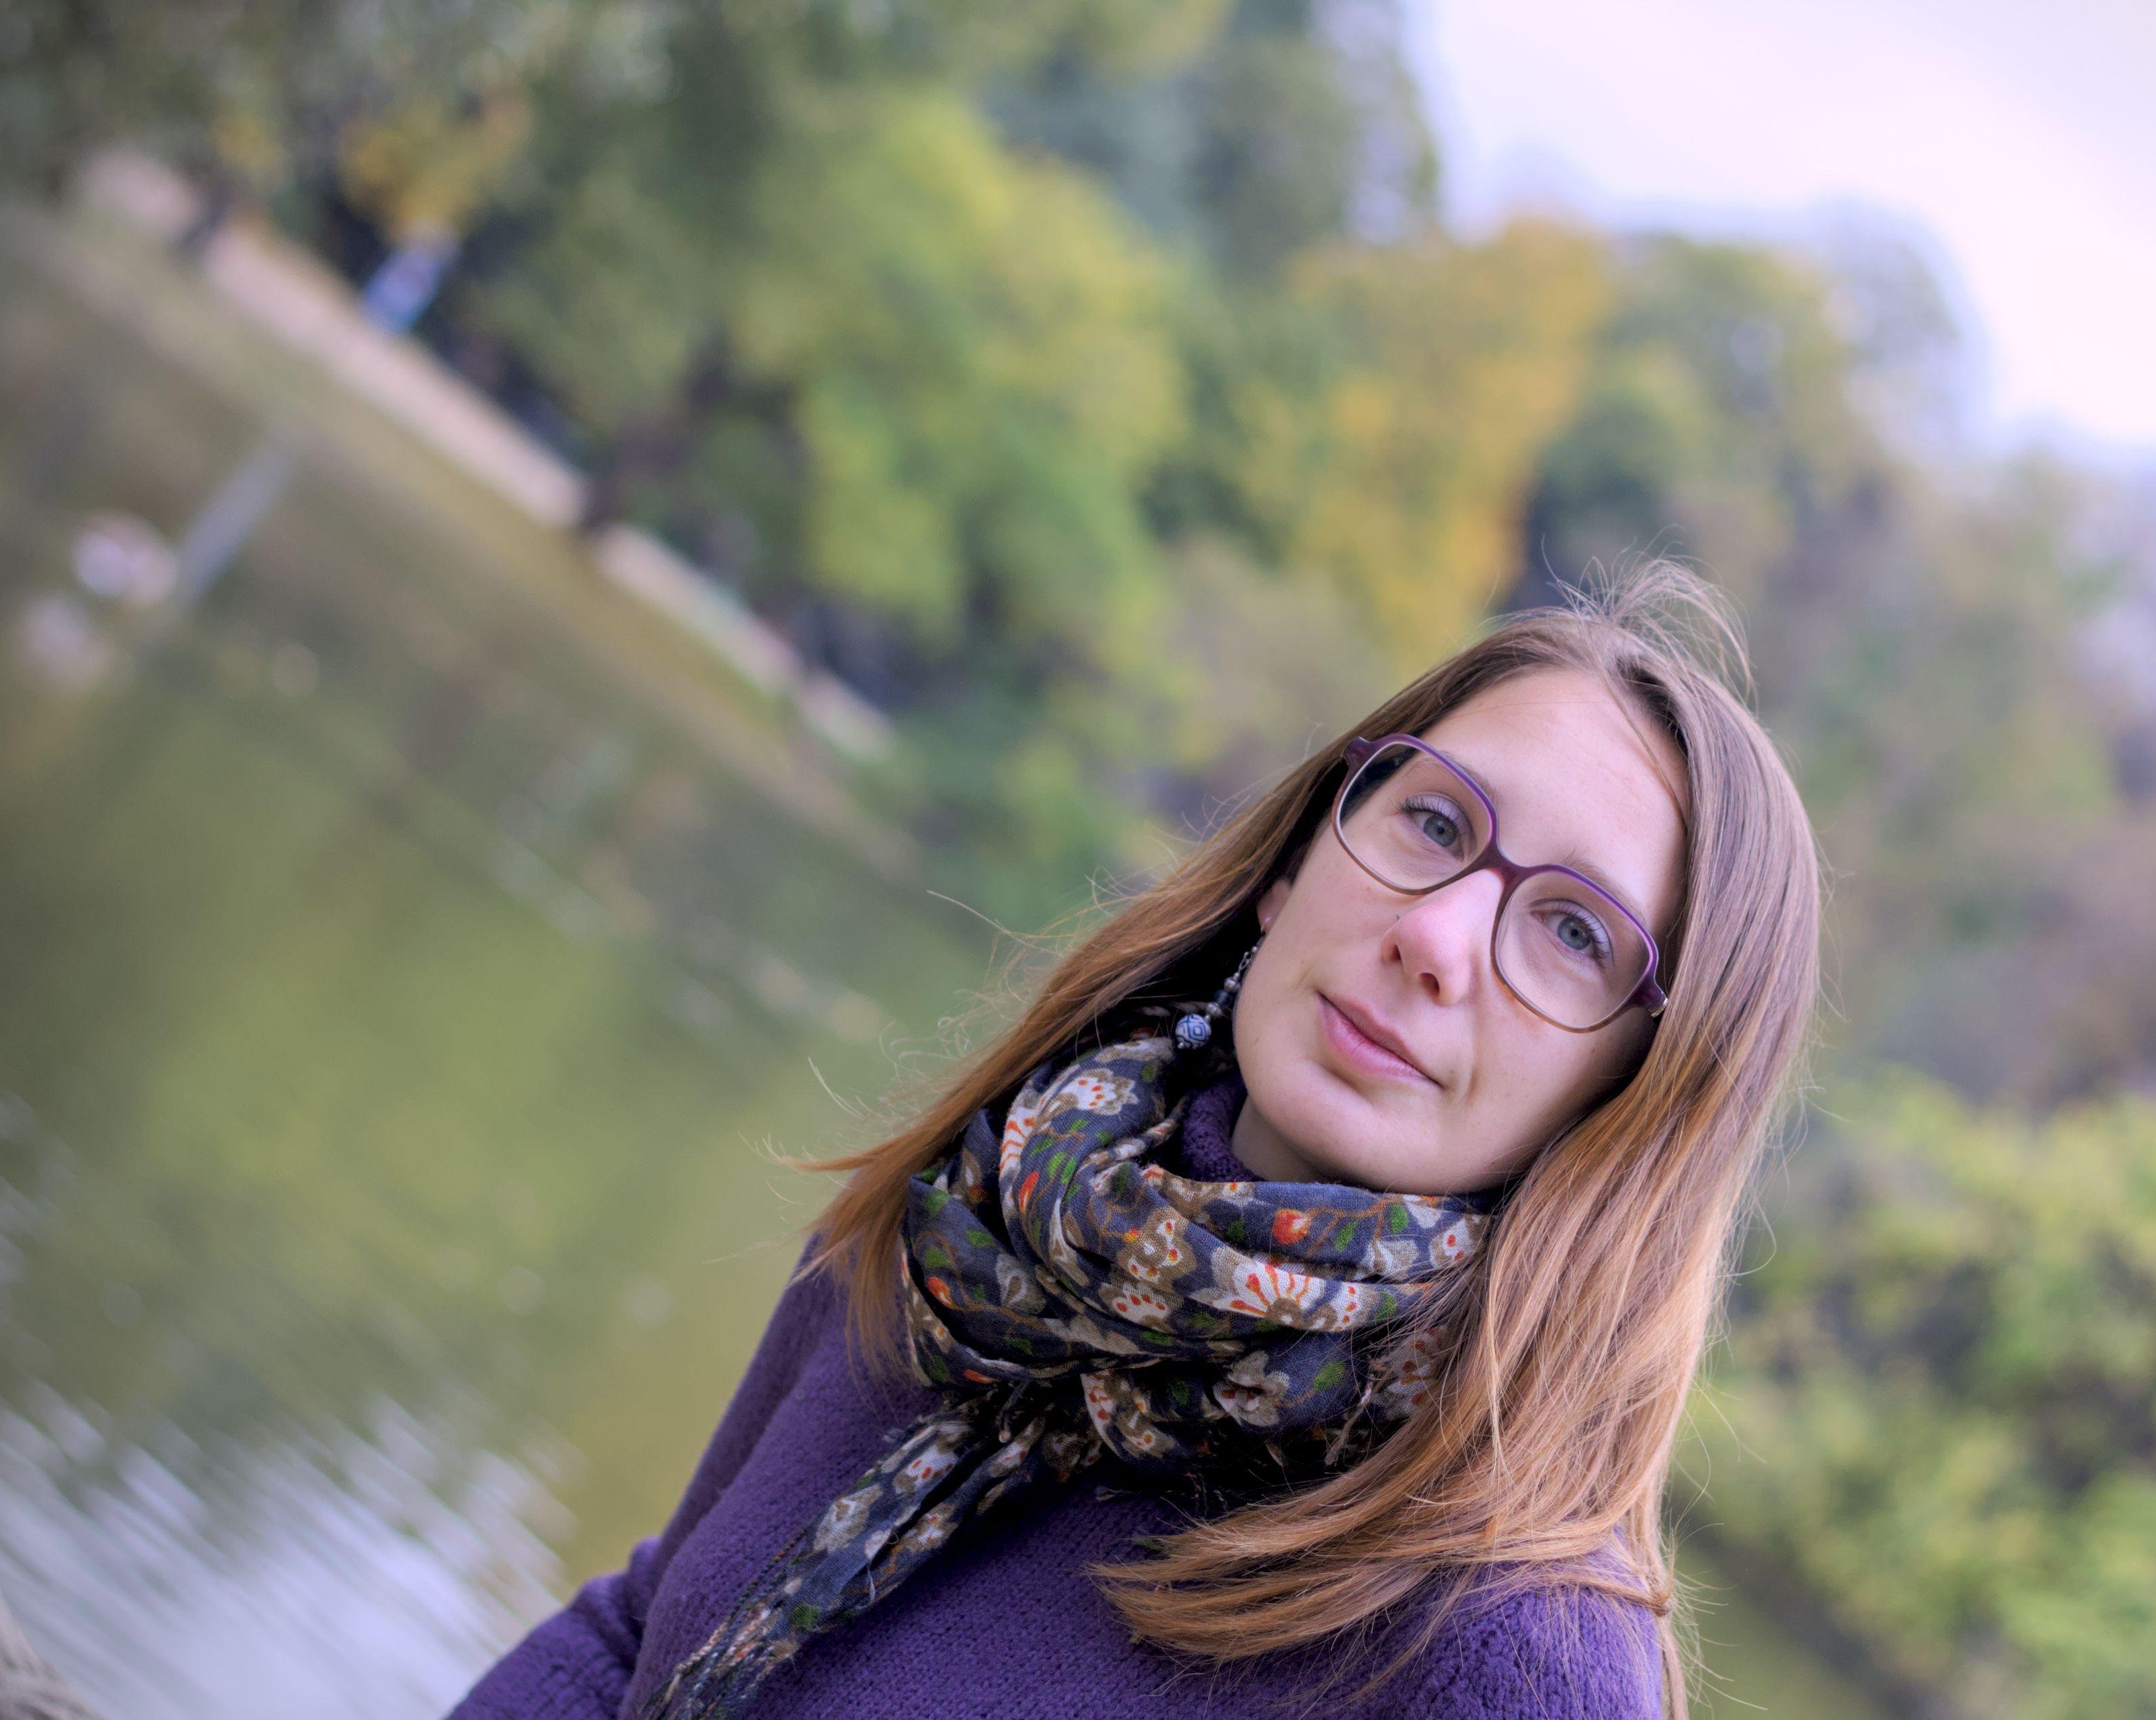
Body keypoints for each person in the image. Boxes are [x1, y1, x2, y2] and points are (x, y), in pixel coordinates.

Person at [449, 563, 1823, 1720]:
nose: (1437, 936)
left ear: (1636, 1097)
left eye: (1575, 931)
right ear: (1300, 859)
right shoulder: (975, 1228)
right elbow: (641, 1638)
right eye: (1435, 821)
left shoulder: (1504, 1655)